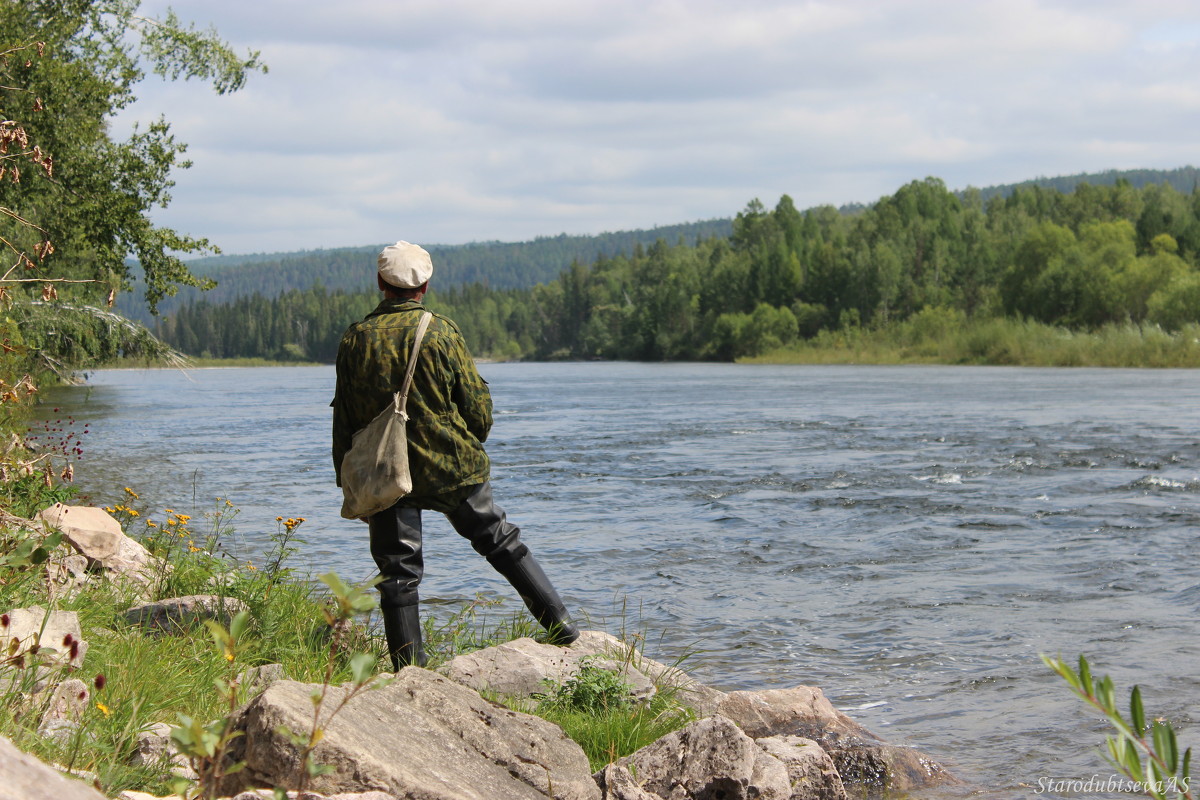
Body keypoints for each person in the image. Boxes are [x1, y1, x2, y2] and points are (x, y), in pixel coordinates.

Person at [332, 241, 579, 670]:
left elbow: (347, 421)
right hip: (452, 466)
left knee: (398, 575)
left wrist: (349, 481)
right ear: (425, 285)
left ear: (380, 283)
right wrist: (468, 444)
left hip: (386, 472)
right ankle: (563, 629)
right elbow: (478, 410)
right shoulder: (441, 331)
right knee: (501, 542)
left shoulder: (355, 339)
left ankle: (411, 675)